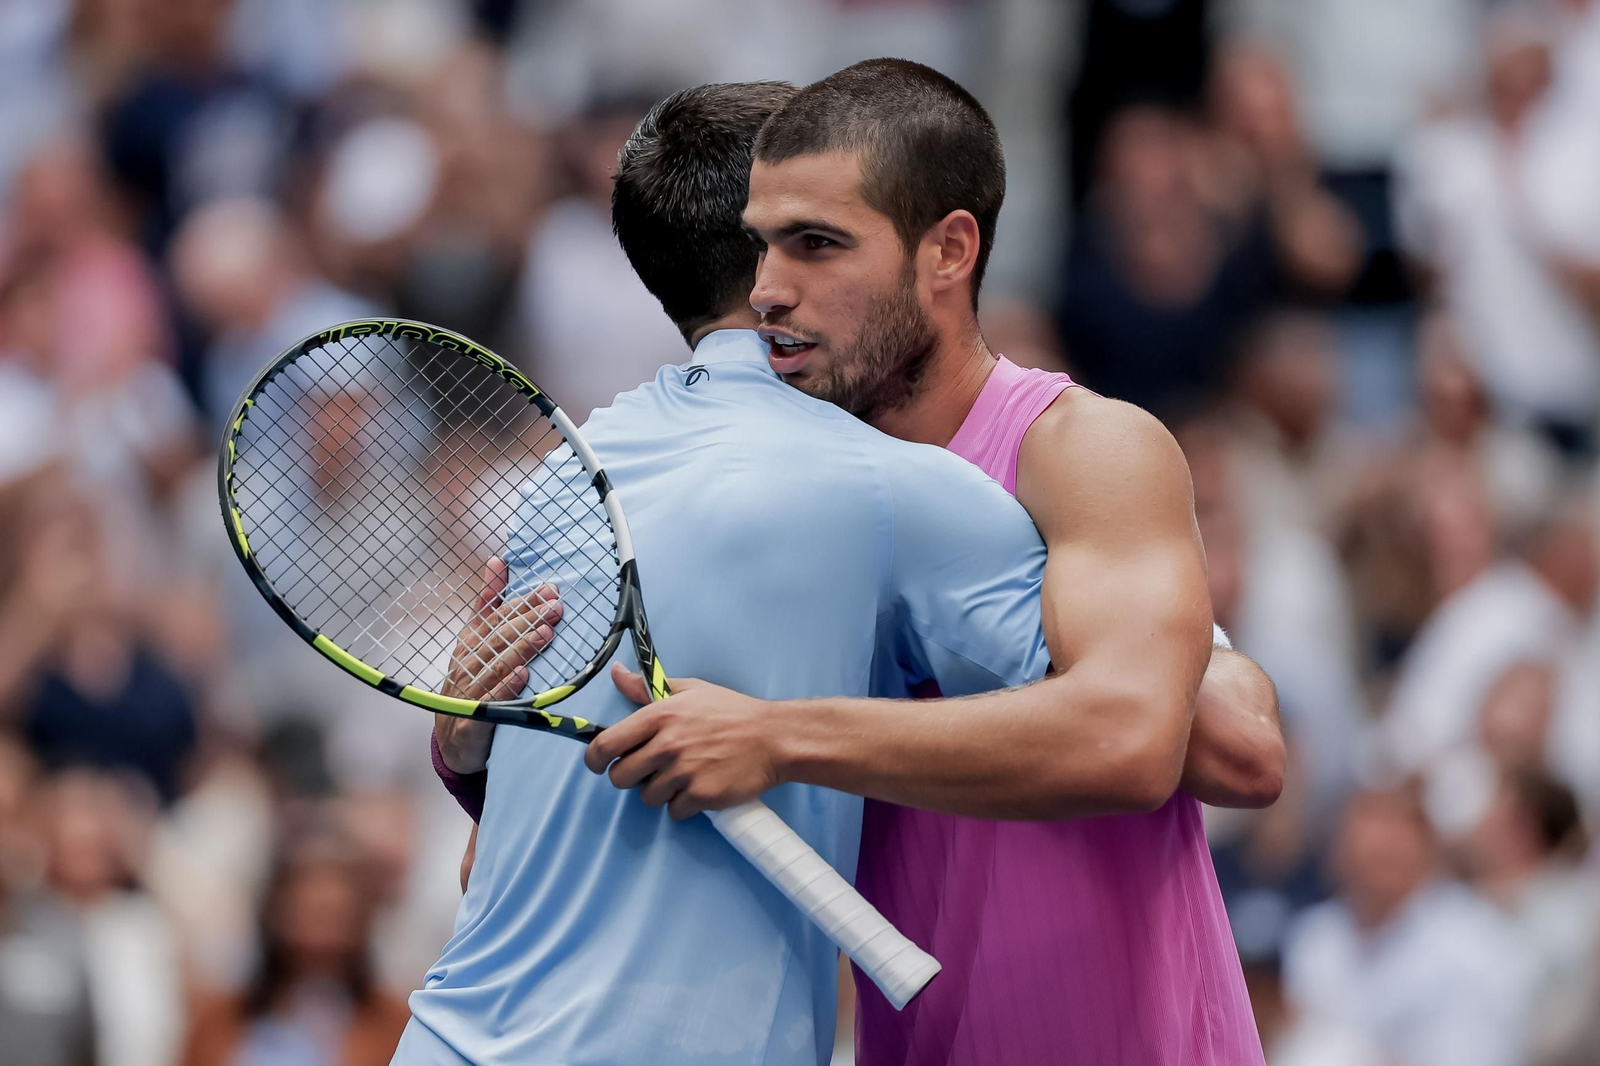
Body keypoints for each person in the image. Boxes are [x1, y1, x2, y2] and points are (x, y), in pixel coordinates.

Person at [438, 66, 1281, 1064]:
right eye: (761, 246)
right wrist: (475, 749)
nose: (769, 289)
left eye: (816, 244)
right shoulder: (792, 492)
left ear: (947, 252)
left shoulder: (1078, 448)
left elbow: (1222, 750)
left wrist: (780, 735)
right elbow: (489, 864)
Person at [402, 80, 1059, 1066]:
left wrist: (464, 760)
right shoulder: (892, 486)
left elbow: (499, 842)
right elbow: (1123, 724)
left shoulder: (563, 474)